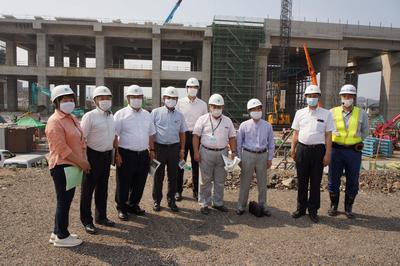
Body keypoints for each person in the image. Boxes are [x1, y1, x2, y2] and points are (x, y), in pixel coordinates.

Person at [46, 84, 90, 247]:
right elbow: (62, 149)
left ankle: (57, 231)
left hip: (72, 166)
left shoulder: (71, 118)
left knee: (65, 200)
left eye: (71, 99)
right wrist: (82, 162)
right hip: (62, 166)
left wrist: (82, 159)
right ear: (56, 102)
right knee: (63, 201)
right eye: (65, 100)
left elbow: (80, 140)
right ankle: (62, 237)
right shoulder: (54, 121)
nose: (69, 102)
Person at [290, 85, 334, 223]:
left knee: (315, 182)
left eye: (314, 96)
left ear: (318, 97)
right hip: (302, 150)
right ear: (305, 98)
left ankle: (313, 210)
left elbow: (328, 136)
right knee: (302, 181)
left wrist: (327, 154)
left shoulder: (326, 114)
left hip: (318, 151)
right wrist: (293, 149)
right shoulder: (300, 113)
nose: (312, 98)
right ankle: (301, 208)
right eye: (309, 96)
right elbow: (296, 133)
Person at [114, 85, 156, 220]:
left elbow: (151, 134)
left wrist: (152, 150)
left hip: (143, 154)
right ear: (128, 98)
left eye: (139, 97)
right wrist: (117, 154)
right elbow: (114, 135)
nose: (137, 99)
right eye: (134, 97)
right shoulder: (120, 114)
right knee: (123, 182)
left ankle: (133, 204)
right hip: (126, 153)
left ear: (142, 98)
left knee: (140, 182)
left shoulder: (147, 114)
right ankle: (122, 207)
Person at [328, 84, 369, 218]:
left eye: (350, 96)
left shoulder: (361, 113)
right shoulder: (332, 112)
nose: (347, 98)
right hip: (336, 150)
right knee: (333, 178)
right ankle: (333, 206)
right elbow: (327, 131)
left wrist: (355, 140)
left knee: (352, 180)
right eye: (345, 96)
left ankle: (348, 207)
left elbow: (365, 132)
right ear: (341, 97)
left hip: (353, 152)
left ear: (354, 98)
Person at [79, 86, 116, 235]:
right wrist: (84, 160)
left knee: (103, 189)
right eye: (102, 98)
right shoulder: (90, 116)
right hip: (92, 156)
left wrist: (115, 154)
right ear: (95, 100)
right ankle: (87, 221)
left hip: (106, 156)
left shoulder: (110, 116)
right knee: (88, 190)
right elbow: (82, 139)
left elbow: (113, 137)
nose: (105, 101)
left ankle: (101, 217)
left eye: (107, 98)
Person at [193, 93, 237, 215]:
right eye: (214, 106)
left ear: (223, 107)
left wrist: (233, 152)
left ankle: (218, 203)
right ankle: (204, 203)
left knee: (220, 180)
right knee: (205, 180)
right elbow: (196, 136)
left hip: (222, 153)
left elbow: (232, 137)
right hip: (206, 152)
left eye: (219, 106)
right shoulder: (202, 119)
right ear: (210, 107)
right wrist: (196, 152)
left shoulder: (227, 121)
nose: (217, 109)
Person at [236, 98, 275, 216]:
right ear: (249, 111)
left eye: (258, 108)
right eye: (253, 109)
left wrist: (270, 158)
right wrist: (239, 158)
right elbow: (238, 143)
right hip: (247, 154)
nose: (256, 111)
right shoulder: (244, 125)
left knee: (263, 183)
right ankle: (241, 206)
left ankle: (263, 206)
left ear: (262, 110)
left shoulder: (268, 126)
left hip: (262, 155)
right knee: (245, 182)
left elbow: (271, 143)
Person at [151, 86, 187, 212]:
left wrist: (182, 150)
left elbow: (182, 133)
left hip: (174, 149)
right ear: (164, 98)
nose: (171, 100)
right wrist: (152, 150)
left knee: (173, 175)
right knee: (158, 176)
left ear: (177, 100)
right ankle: (157, 200)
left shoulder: (180, 115)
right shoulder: (155, 112)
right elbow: (150, 133)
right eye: (169, 97)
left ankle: (171, 200)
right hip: (159, 148)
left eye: (174, 98)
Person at [175, 77, 208, 201]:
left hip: (196, 136)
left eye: (195, 87)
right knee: (180, 164)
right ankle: (178, 191)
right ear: (186, 88)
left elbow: (205, 122)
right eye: (190, 87)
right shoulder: (179, 103)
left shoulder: (203, 105)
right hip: (182, 135)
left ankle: (196, 191)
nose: (192, 89)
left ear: (198, 89)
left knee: (196, 164)